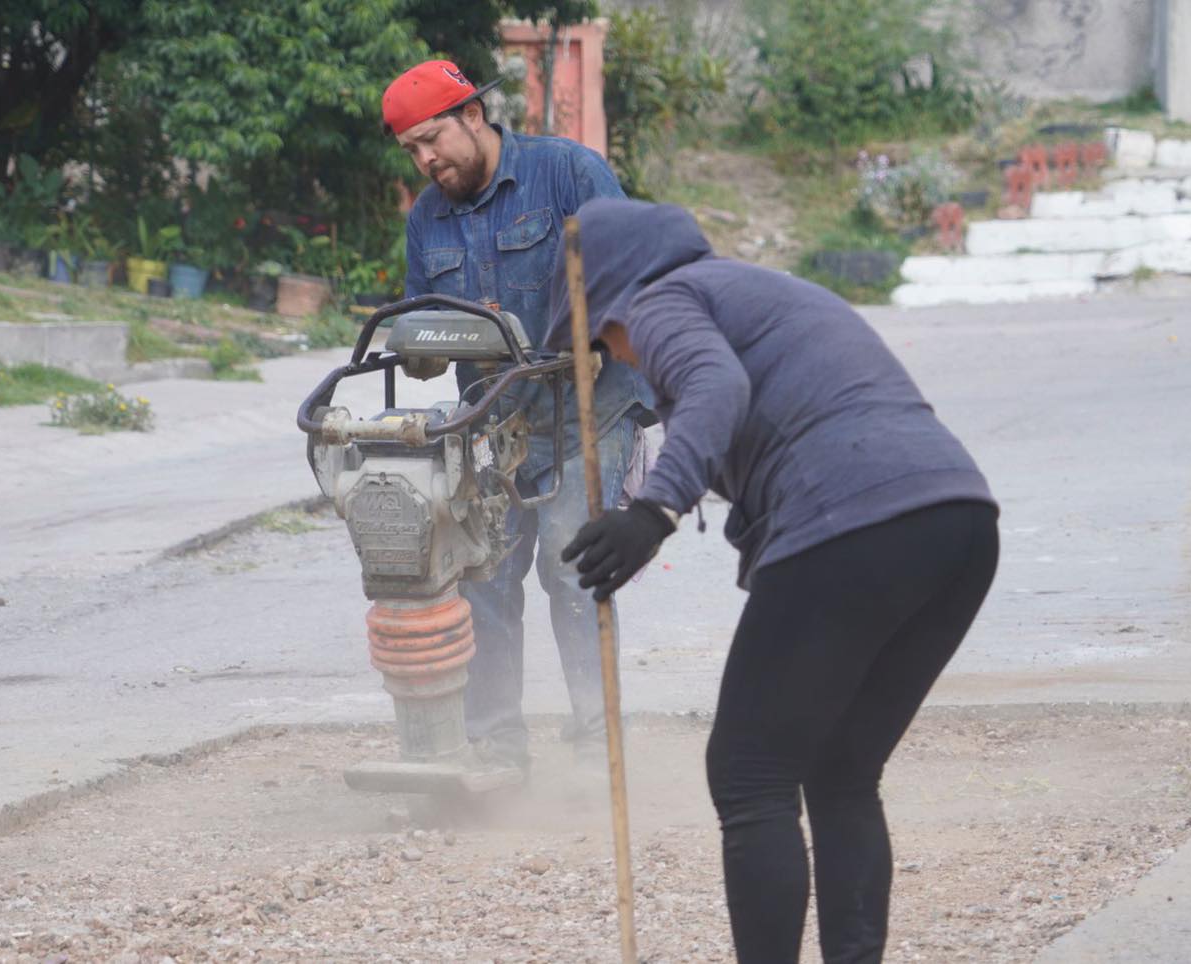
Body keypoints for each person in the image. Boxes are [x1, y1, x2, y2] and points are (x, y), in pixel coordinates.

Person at [548, 198, 1000, 963]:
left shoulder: (662, 298)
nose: (619, 358)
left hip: (856, 521)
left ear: (616, 298)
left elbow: (718, 390)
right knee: (841, 769)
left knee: (748, 772)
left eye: (603, 340)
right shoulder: (756, 289)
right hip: (957, 524)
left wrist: (654, 511)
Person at [382, 60, 654, 769]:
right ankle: (498, 743)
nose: (426, 159)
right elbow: (423, 319)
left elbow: (639, 267)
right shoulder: (427, 219)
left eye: (433, 139)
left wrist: (600, 328)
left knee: (572, 563)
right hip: (496, 424)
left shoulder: (566, 173)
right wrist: (419, 350)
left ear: (473, 115)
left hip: (588, 410)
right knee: (486, 576)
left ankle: (601, 743)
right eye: (411, 149)